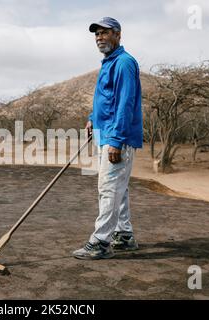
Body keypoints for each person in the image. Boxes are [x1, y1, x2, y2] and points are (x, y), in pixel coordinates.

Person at [73, 17, 143, 260]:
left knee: (108, 188)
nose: (99, 37)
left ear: (118, 35)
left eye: (105, 33)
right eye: (96, 34)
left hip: (117, 138)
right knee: (117, 189)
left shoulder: (123, 63)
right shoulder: (108, 63)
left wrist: (115, 140)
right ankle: (123, 235)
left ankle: (101, 242)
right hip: (106, 133)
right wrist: (93, 118)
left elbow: (125, 104)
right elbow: (106, 98)